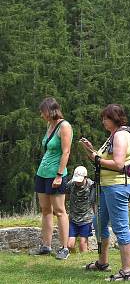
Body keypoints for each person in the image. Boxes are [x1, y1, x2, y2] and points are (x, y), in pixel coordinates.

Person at [79, 104, 130, 281]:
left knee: (120, 227)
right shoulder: (113, 136)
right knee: (99, 222)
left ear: (115, 118)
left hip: (117, 186)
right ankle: (102, 262)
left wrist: (96, 157)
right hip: (107, 186)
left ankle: (127, 271)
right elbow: (101, 160)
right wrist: (91, 151)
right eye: (103, 118)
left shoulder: (120, 136)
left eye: (106, 118)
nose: (103, 121)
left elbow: (118, 164)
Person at [29, 97, 73, 260]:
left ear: (51, 111)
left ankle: (64, 248)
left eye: (43, 112)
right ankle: (46, 246)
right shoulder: (50, 125)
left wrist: (59, 175)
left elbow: (66, 152)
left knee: (60, 211)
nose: (41, 115)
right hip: (42, 173)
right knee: (46, 210)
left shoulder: (65, 126)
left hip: (56, 174)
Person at [65, 165, 95, 253]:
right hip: (73, 218)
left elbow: (95, 201)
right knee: (70, 245)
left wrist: (96, 214)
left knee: (83, 244)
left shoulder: (91, 185)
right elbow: (65, 197)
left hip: (86, 219)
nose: (78, 182)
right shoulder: (71, 184)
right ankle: (74, 257)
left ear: (85, 177)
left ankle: (83, 258)